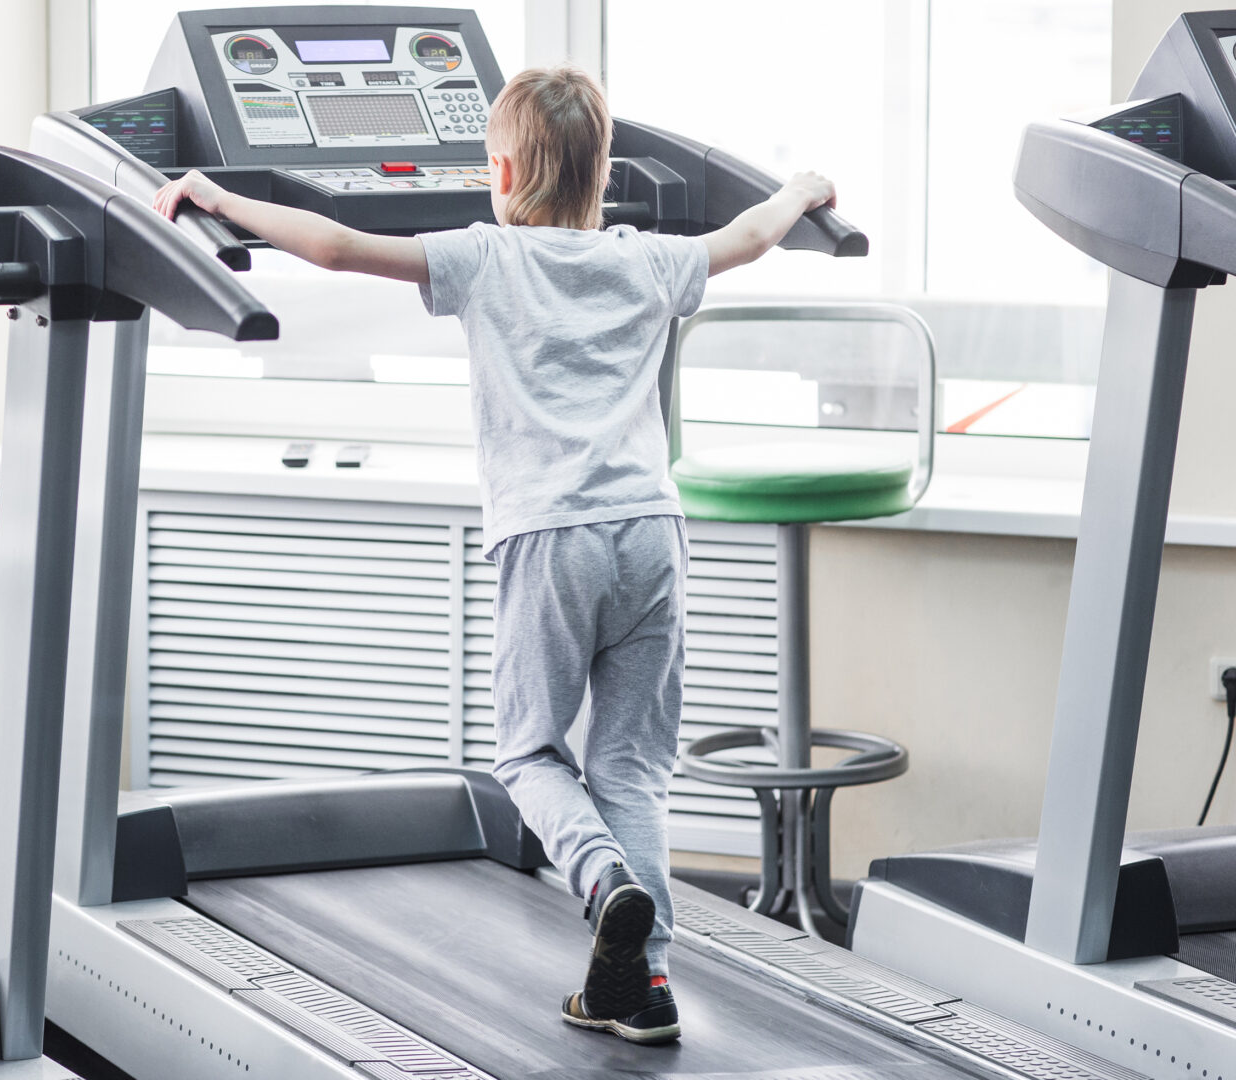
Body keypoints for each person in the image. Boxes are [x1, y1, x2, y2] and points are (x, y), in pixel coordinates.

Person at [154, 64, 837, 1046]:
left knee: (528, 751)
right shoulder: (650, 260)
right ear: (605, 175)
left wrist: (218, 200)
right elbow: (751, 237)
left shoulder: (484, 258)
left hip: (547, 540)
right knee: (634, 766)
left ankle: (601, 880)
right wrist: (802, 191)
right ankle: (639, 984)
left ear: (503, 173)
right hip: (650, 535)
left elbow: (339, 248)